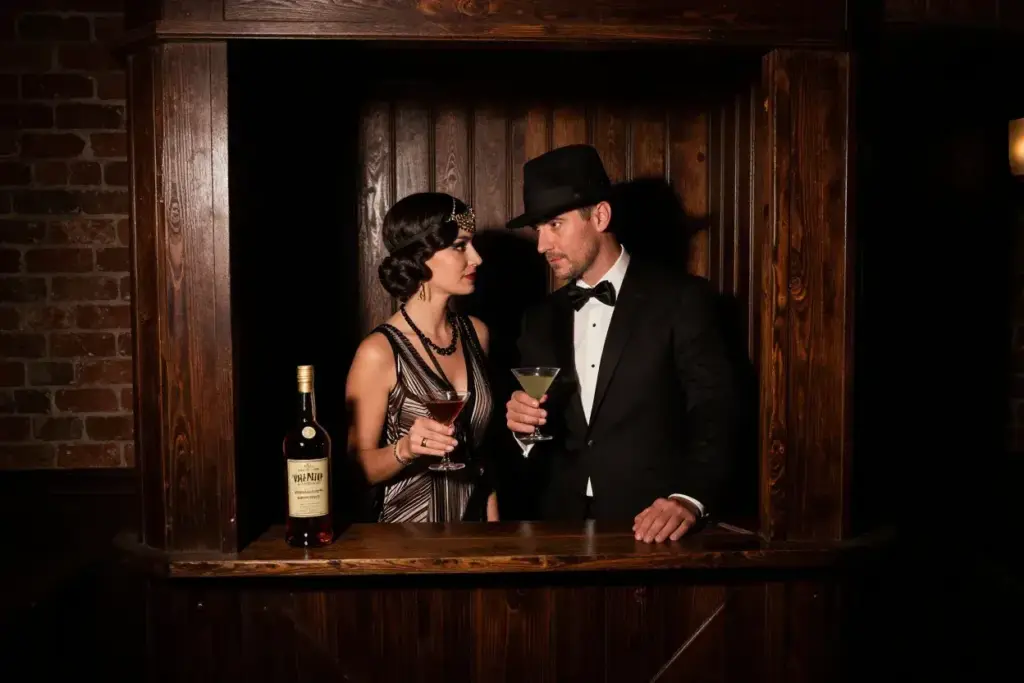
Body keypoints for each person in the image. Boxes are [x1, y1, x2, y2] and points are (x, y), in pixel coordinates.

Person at [504, 144, 737, 542]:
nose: (542, 245)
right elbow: (541, 441)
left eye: (554, 225)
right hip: (558, 528)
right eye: (537, 229)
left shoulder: (682, 299)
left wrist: (689, 498)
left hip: (657, 526)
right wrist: (521, 427)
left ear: (600, 216)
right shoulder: (539, 319)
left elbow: (717, 412)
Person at [345, 192, 499, 523]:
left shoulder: (477, 334)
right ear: (421, 256)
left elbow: (482, 454)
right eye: (460, 245)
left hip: (476, 535)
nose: (477, 258)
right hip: (406, 543)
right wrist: (405, 449)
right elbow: (354, 470)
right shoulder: (379, 352)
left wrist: (495, 533)